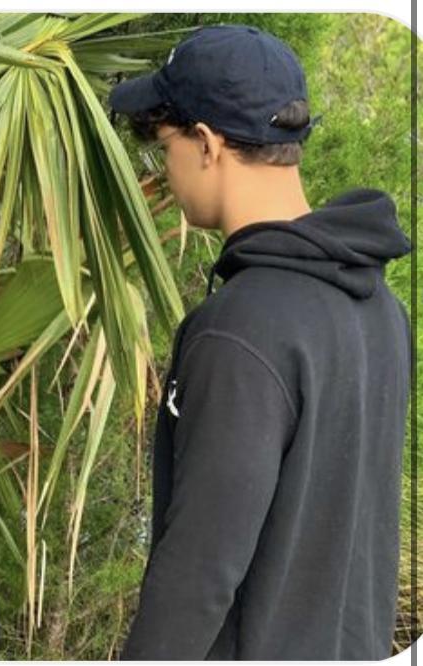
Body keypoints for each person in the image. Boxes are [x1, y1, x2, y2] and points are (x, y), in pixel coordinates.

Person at [109, 25, 411, 660]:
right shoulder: (383, 309)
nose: (163, 172)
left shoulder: (238, 329)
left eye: (163, 146)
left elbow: (199, 572)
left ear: (207, 143)